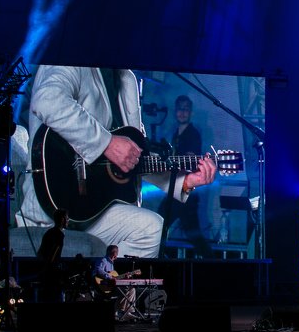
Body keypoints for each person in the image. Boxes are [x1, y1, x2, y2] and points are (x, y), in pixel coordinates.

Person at [16, 65, 218, 259]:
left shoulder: (126, 78)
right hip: (55, 207)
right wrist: (106, 143)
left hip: (97, 208)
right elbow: (47, 101)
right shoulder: (70, 60)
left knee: (152, 229)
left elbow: (134, 157)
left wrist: (185, 181)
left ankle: (103, 281)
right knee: (152, 229)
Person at [157, 94, 210, 257]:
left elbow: (189, 162)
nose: (182, 112)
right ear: (175, 111)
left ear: (191, 112)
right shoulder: (176, 134)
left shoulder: (192, 134)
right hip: (178, 189)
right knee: (191, 232)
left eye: (186, 109)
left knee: (160, 223)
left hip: (185, 191)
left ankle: (211, 260)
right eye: (179, 109)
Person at [93, 244, 138, 320]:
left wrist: (124, 277)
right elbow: (98, 270)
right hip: (103, 288)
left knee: (132, 289)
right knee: (125, 290)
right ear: (114, 254)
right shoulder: (103, 260)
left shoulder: (111, 263)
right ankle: (118, 311)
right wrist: (109, 277)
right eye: (117, 253)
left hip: (111, 287)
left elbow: (114, 278)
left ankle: (127, 312)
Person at [36, 207, 68, 302]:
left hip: (46, 273)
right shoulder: (58, 235)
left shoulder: (49, 233)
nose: (68, 220)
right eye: (67, 218)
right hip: (52, 275)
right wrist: (52, 269)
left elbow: (40, 253)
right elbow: (52, 255)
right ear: (62, 219)